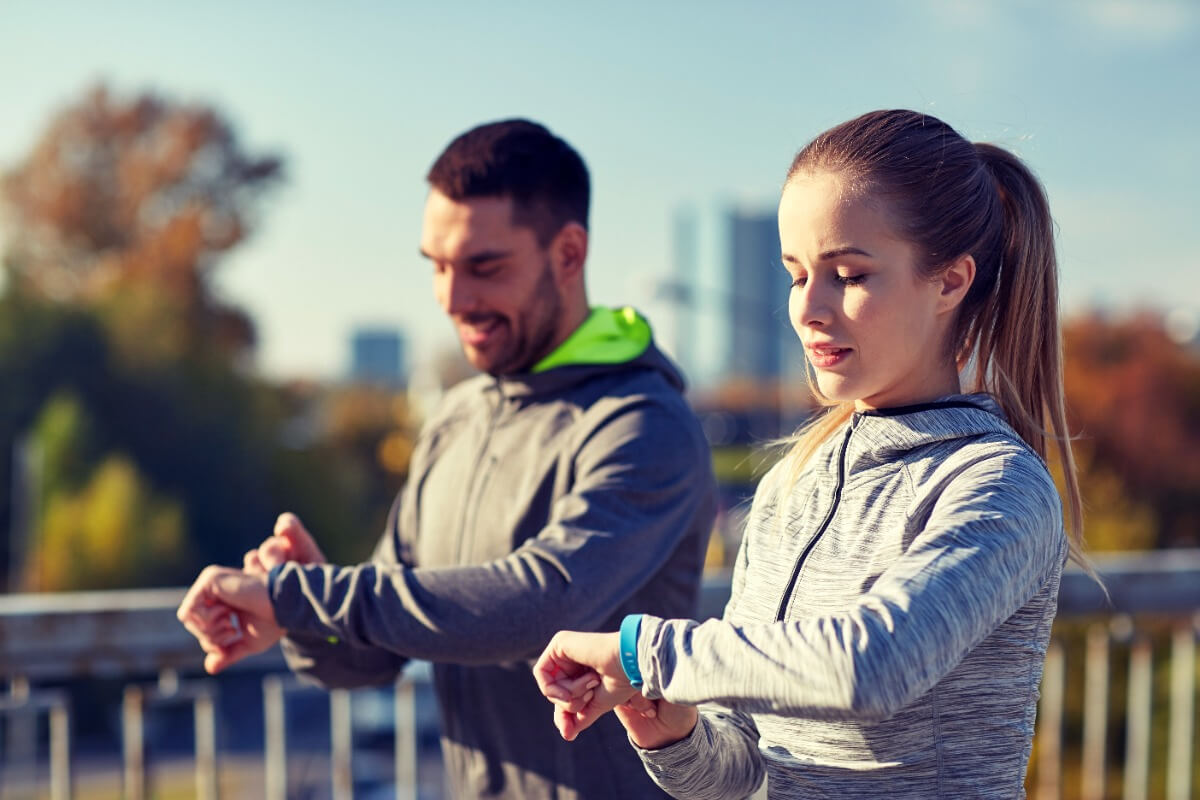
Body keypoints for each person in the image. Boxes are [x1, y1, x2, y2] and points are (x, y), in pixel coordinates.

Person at [535, 109, 1091, 799]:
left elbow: (872, 665)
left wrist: (644, 652)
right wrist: (672, 732)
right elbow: (738, 770)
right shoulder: (791, 485)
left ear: (950, 281)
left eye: (849, 275)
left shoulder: (999, 485)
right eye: (797, 274)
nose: (807, 308)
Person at [177, 119, 717, 800]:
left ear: (569, 255)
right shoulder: (456, 419)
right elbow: (370, 660)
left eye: (484, 267)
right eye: (436, 265)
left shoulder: (644, 424)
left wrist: (305, 596)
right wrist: (307, 615)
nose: (453, 299)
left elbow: (537, 606)